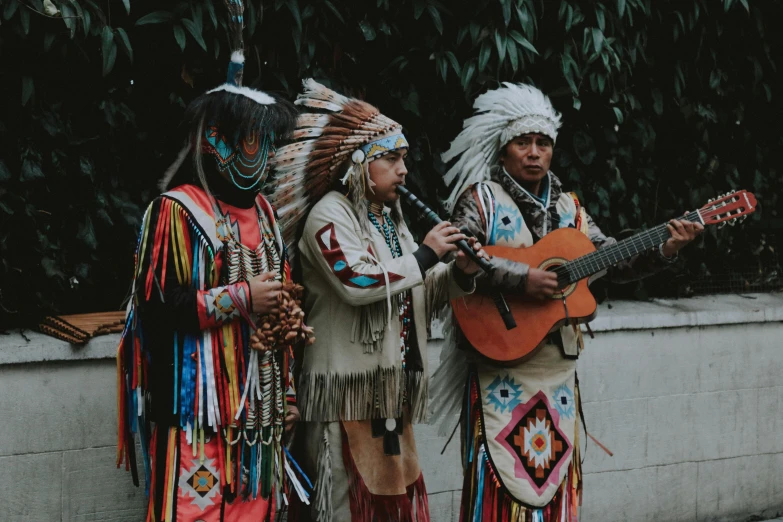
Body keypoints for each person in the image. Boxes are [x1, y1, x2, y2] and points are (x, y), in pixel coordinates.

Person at [433, 83, 703, 521]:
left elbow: (611, 261)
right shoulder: (480, 200)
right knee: (502, 479)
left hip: (557, 372)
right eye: (523, 142)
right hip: (498, 366)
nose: (534, 152)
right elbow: (460, 253)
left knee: (553, 477)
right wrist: (523, 279)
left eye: (543, 143)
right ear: (503, 151)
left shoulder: (570, 210)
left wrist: (665, 250)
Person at [115, 2, 309, 520]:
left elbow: (284, 317)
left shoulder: (267, 215)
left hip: (259, 419)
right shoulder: (178, 211)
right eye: (253, 140)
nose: (263, 154)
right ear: (216, 142)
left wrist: (285, 393)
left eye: (269, 141)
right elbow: (156, 309)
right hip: (197, 415)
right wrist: (240, 297)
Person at [266, 79, 487, 522]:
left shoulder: (392, 220)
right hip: (343, 398)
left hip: (389, 397)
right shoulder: (329, 213)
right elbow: (358, 283)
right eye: (390, 158)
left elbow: (420, 289)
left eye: (404, 158)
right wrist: (425, 254)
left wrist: (460, 271)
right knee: (344, 512)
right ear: (357, 164)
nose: (403, 170)